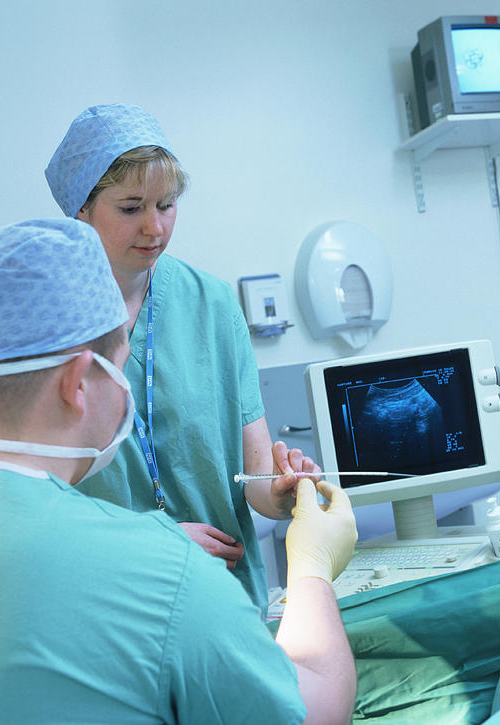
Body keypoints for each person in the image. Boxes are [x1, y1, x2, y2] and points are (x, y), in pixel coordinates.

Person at [0, 218, 358, 724]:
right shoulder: (162, 576)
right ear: (79, 383)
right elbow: (314, 712)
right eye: (118, 367)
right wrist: (313, 567)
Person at [45, 104, 313, 611]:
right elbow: (30, 516)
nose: (155, 228)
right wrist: (151, 547)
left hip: (225, 599)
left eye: (166, 205)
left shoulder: (211, 305)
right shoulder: (42, 325)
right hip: (110, 609)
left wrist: (281, 490)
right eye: (130, 208)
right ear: (82, 208)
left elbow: (253, 478)